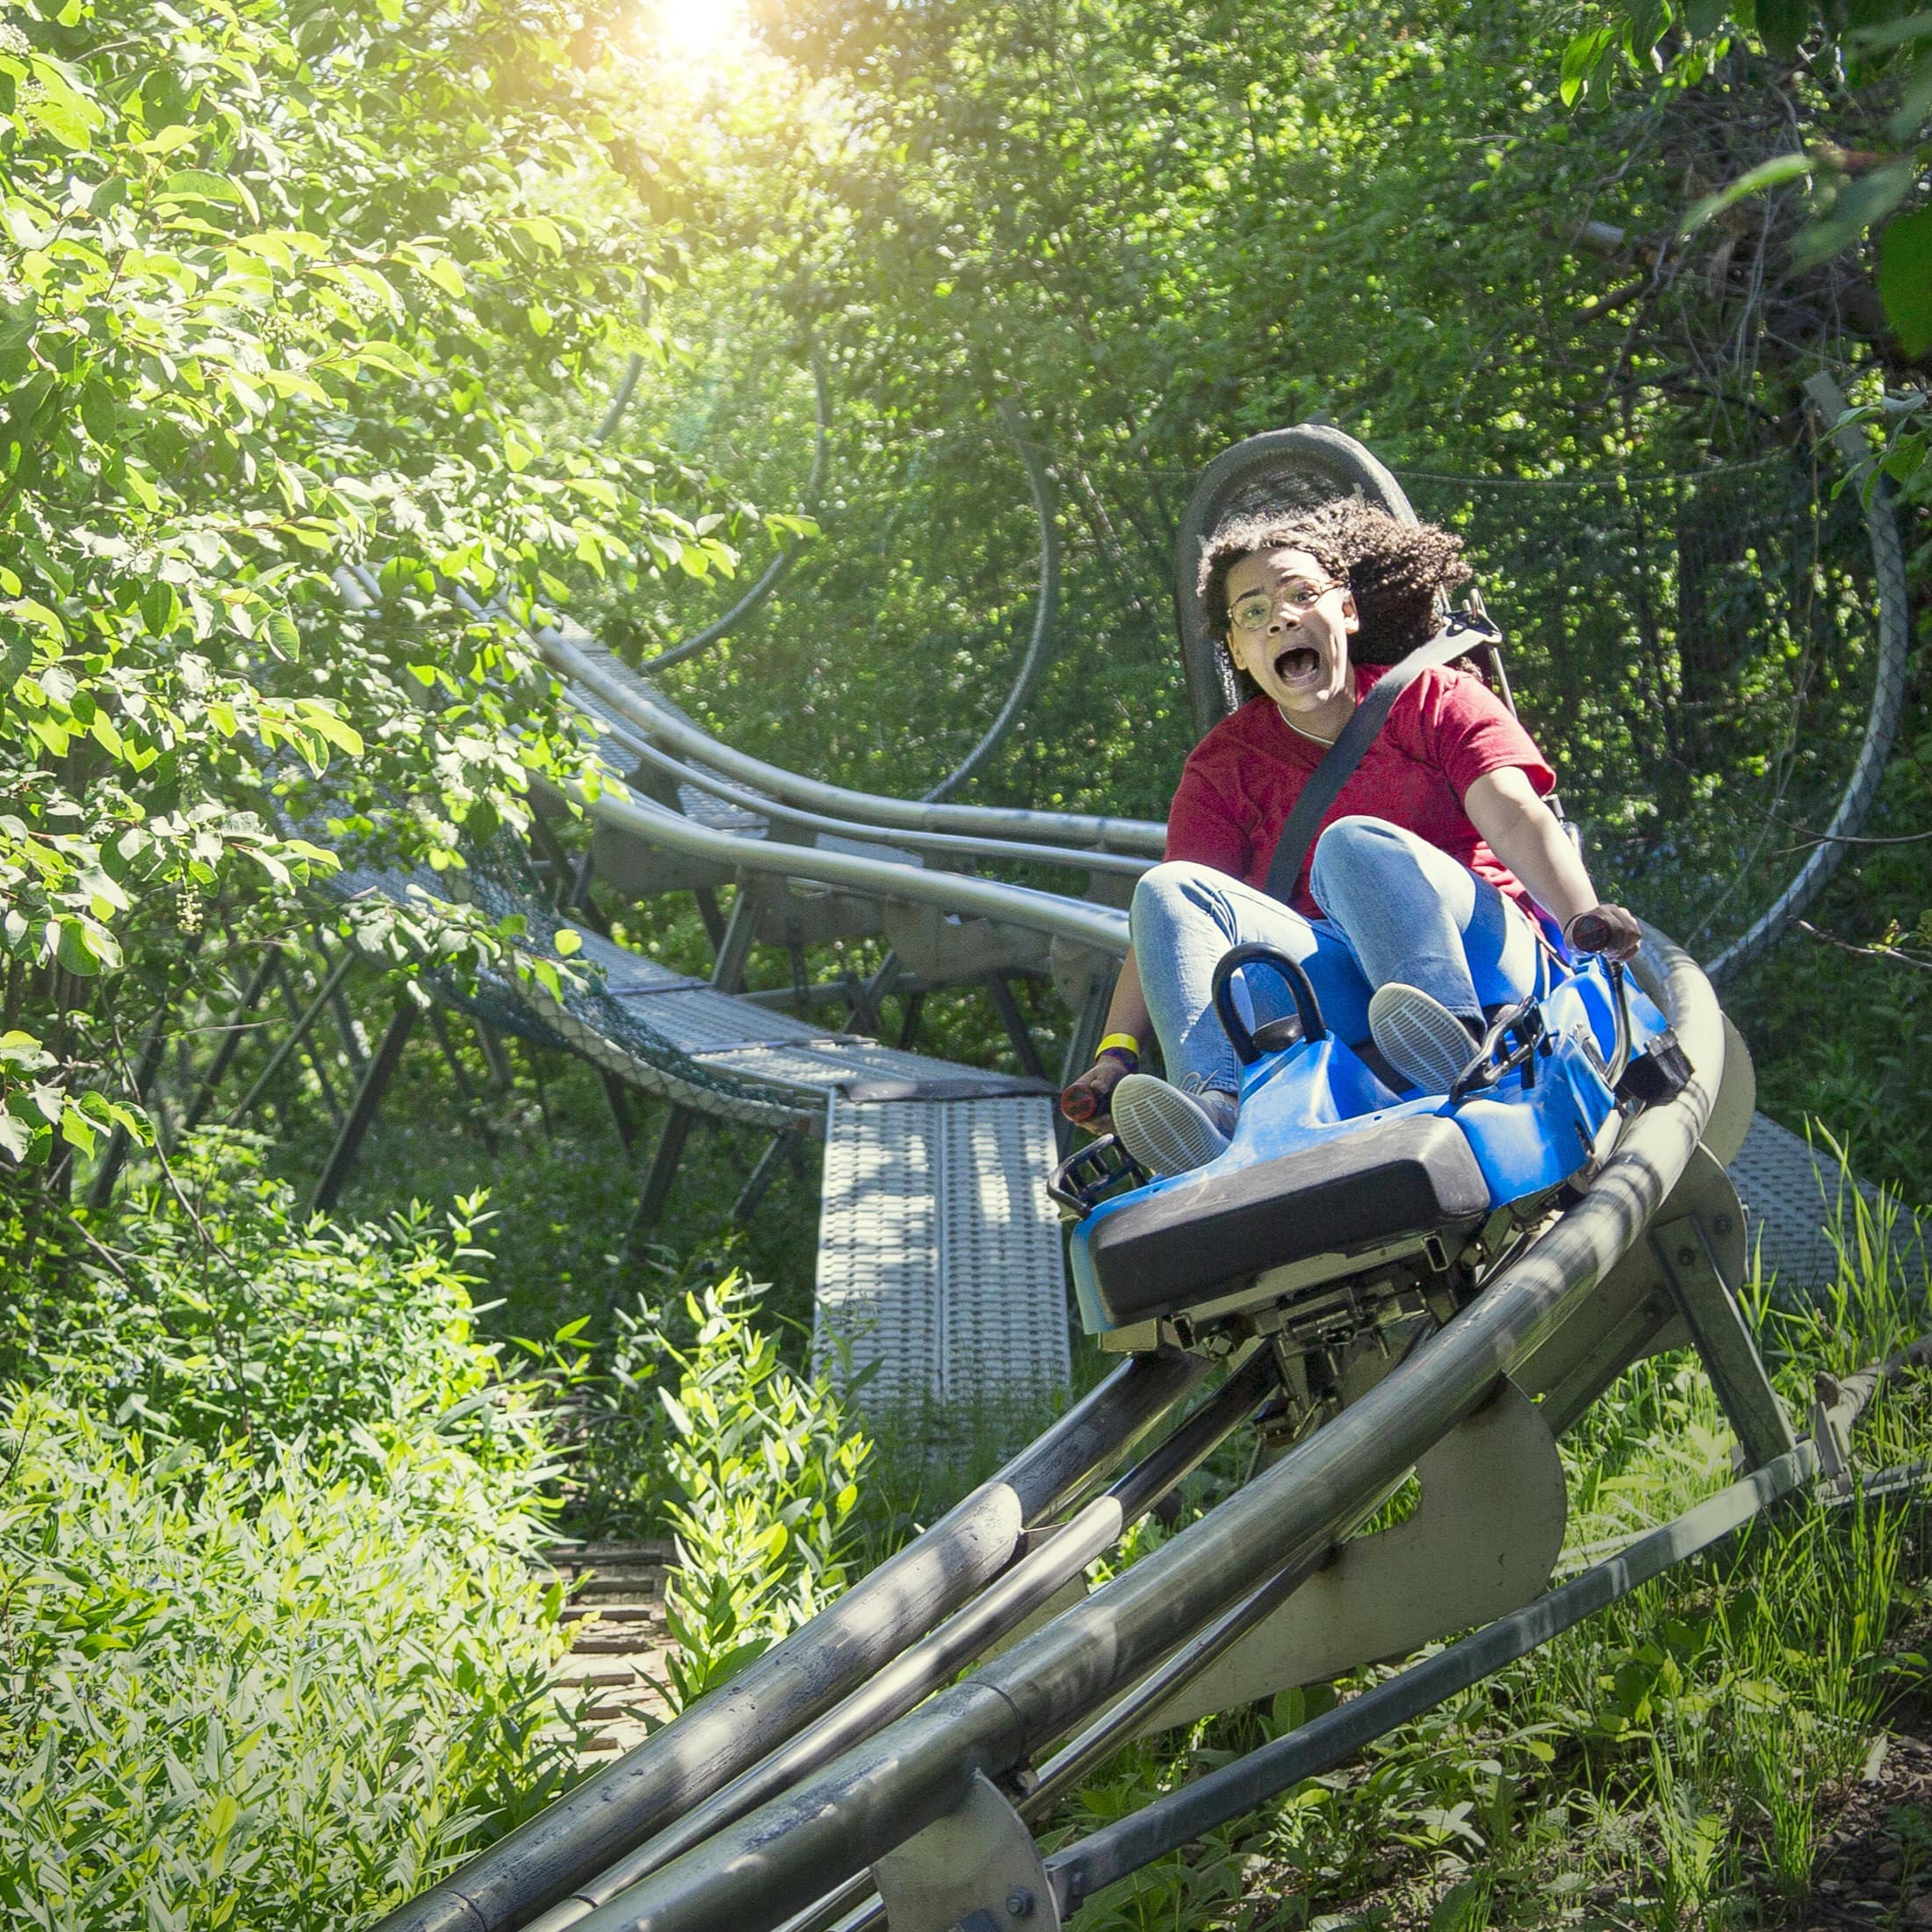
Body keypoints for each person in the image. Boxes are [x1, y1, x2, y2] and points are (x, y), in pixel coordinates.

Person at [1060, 498, 1642, 1177]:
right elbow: (1171, 924)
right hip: (1345, 992)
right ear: (1241, 653)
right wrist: (1114, 1054)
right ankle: (1214, 1111)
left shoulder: (1435, 698)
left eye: (1300, 593)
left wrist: (1582, 918)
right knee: (1167, 885)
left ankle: (1450, 1038)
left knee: (1351, 844)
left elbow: (1514, 814)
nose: (1279, 616)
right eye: (1252, 613)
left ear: (1347, 613)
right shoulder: (1224, 766)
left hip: (1485, 960)